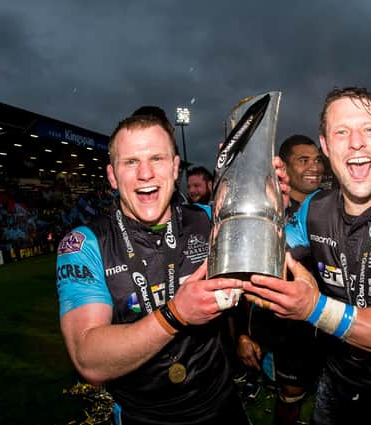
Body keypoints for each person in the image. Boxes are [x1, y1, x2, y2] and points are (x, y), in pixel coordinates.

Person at [56, 112, 289, 424]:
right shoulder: (84, 245)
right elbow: (88, 358)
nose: (146, 173)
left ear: (176, 166)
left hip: (221, 405)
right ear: (112, 176)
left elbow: (278, 257)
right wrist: (176, 314)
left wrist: (269, 197)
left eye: (157, 158)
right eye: (130, 162)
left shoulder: (210, 220)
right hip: (144, 416)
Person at [242, 86, 371, 425]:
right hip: (336, 384)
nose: (356, 142)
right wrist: (259, 209)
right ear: (326, 146)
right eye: (342, 132)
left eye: (368, 129)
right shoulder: (315, 207)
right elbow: (265, 262)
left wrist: (315, 309)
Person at [235, 134, 325, 424]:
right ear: (283, 167)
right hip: (285, 331)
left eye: (317, 160)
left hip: (326, 325)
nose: (314, 167)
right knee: (291, 396)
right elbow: (240, 276)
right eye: (304, 160)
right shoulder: (264, 211)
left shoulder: (331, 207)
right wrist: (242, 333)